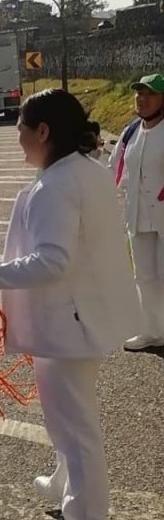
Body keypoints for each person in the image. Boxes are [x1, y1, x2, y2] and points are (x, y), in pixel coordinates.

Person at [0, 90, 140, 520]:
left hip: (68, 321)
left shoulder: (58, 184)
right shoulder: (85, 171)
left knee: (76, 426)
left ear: (43, 131)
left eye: (21, 127)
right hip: (78, 316)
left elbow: (52, 261)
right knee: (67, 420)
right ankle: (66, 487)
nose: (17, 136)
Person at [107, 73, 164, 351]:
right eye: (139, 94)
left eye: (150, 94)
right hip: (138, 215)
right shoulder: (130, 132)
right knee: (144, 277)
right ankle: (152, 331)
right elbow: (113, 167)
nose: (143, 99)